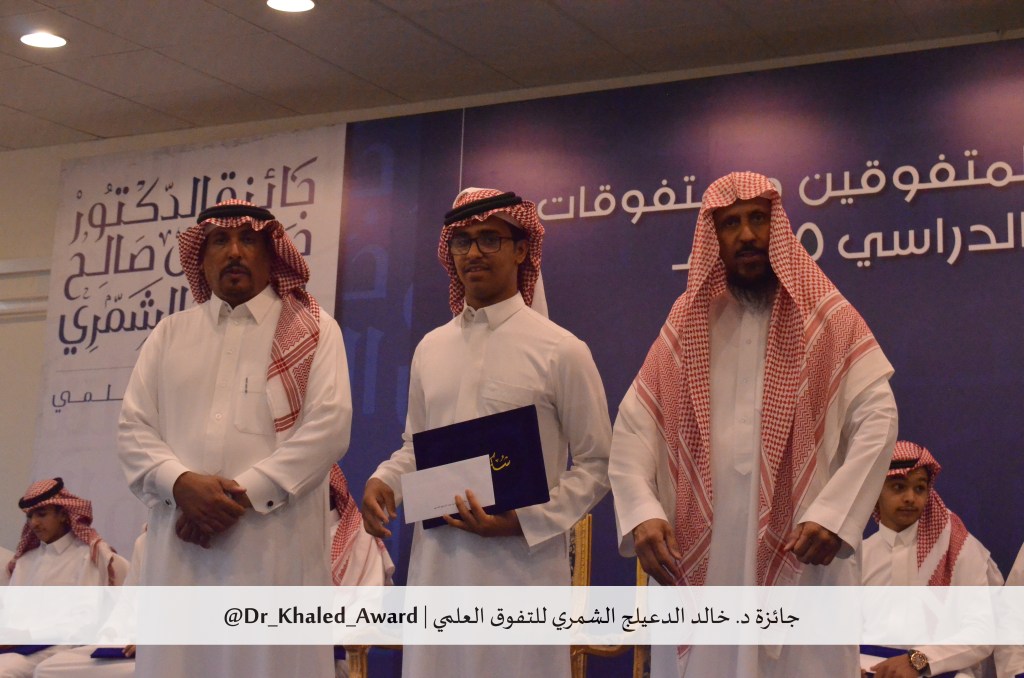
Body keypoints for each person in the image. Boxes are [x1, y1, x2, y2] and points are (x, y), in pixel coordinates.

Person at [609, 171, 898, 677]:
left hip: (805, 556)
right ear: (714, 237)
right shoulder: (688, 321)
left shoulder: (827, 317)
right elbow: (635, 427)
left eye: (758, 219)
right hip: (703, 559)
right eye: (731, 224)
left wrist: (835, 514)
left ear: (777, 226)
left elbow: (879, 418)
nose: (747, 235)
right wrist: (642, 510)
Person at [360, 187, 611, 678]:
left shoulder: (561, 350)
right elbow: (416, 447)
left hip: (520, 574)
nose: (473, 252)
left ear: (521, 250)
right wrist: (384, 482)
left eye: (490, 238)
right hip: (437, 570)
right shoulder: (431, 348)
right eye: (463, 241)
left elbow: (598, 463)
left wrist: (524, 520)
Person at [118, 199, 352, 678]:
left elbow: (328, 428)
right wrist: (180, 484)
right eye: (220, 241)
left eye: (248, 240)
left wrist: (234, 500)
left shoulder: (313, 331)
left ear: (272, 254)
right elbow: (133, 428)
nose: (234, 252)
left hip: (273, 553)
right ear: (201, 258)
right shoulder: (169, 335)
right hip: (181, 550)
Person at [863, 441, 1002, 678]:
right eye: (898, 487)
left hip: (943, 669)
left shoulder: (959, 548)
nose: (910, 497)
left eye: (919, 488)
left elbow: (982, 632)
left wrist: (918, 661)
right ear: (876, 491)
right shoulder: (860, 555)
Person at [0, 478, 127, 678]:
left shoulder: (88, 556)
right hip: (15, 648)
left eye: (42, 514)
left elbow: (84, 621)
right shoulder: (25, 561)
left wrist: (29, 635)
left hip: (61, 647)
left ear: (63, 514)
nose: (34, 523)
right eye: (30, 516)